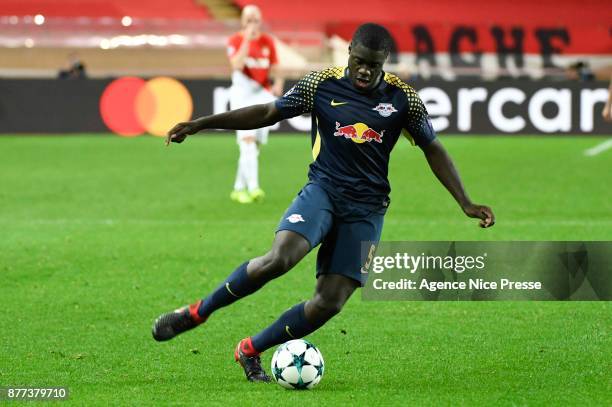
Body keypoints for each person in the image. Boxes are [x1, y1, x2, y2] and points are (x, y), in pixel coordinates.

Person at [153, 23, 495, 382]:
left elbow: (433, 148)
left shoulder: (403, 98)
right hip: (323, 192)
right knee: (279, 258)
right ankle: (197, 312)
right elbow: (268, 112)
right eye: (359, 61)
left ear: (385, 62)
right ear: (348, 51)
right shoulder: (321, 84)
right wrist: (202, 123)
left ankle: (250, 349)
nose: (365, 70)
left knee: (329, 303)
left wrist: (465, 202)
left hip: (367, 208)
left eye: (373, 65)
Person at [227, 5, 284, 203]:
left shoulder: (268, 41)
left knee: (255, 145)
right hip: (242, 95)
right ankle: (254, 188)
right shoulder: (235, 40)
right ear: (242, 21)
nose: (252, 23)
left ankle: (238, 188)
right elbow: (236, 65)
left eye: (255, 20)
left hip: (263, 95)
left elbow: (276, 65)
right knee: (247, 142)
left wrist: (278, 83)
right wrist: (246, 40)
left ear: (260, 21)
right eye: (248, 20)